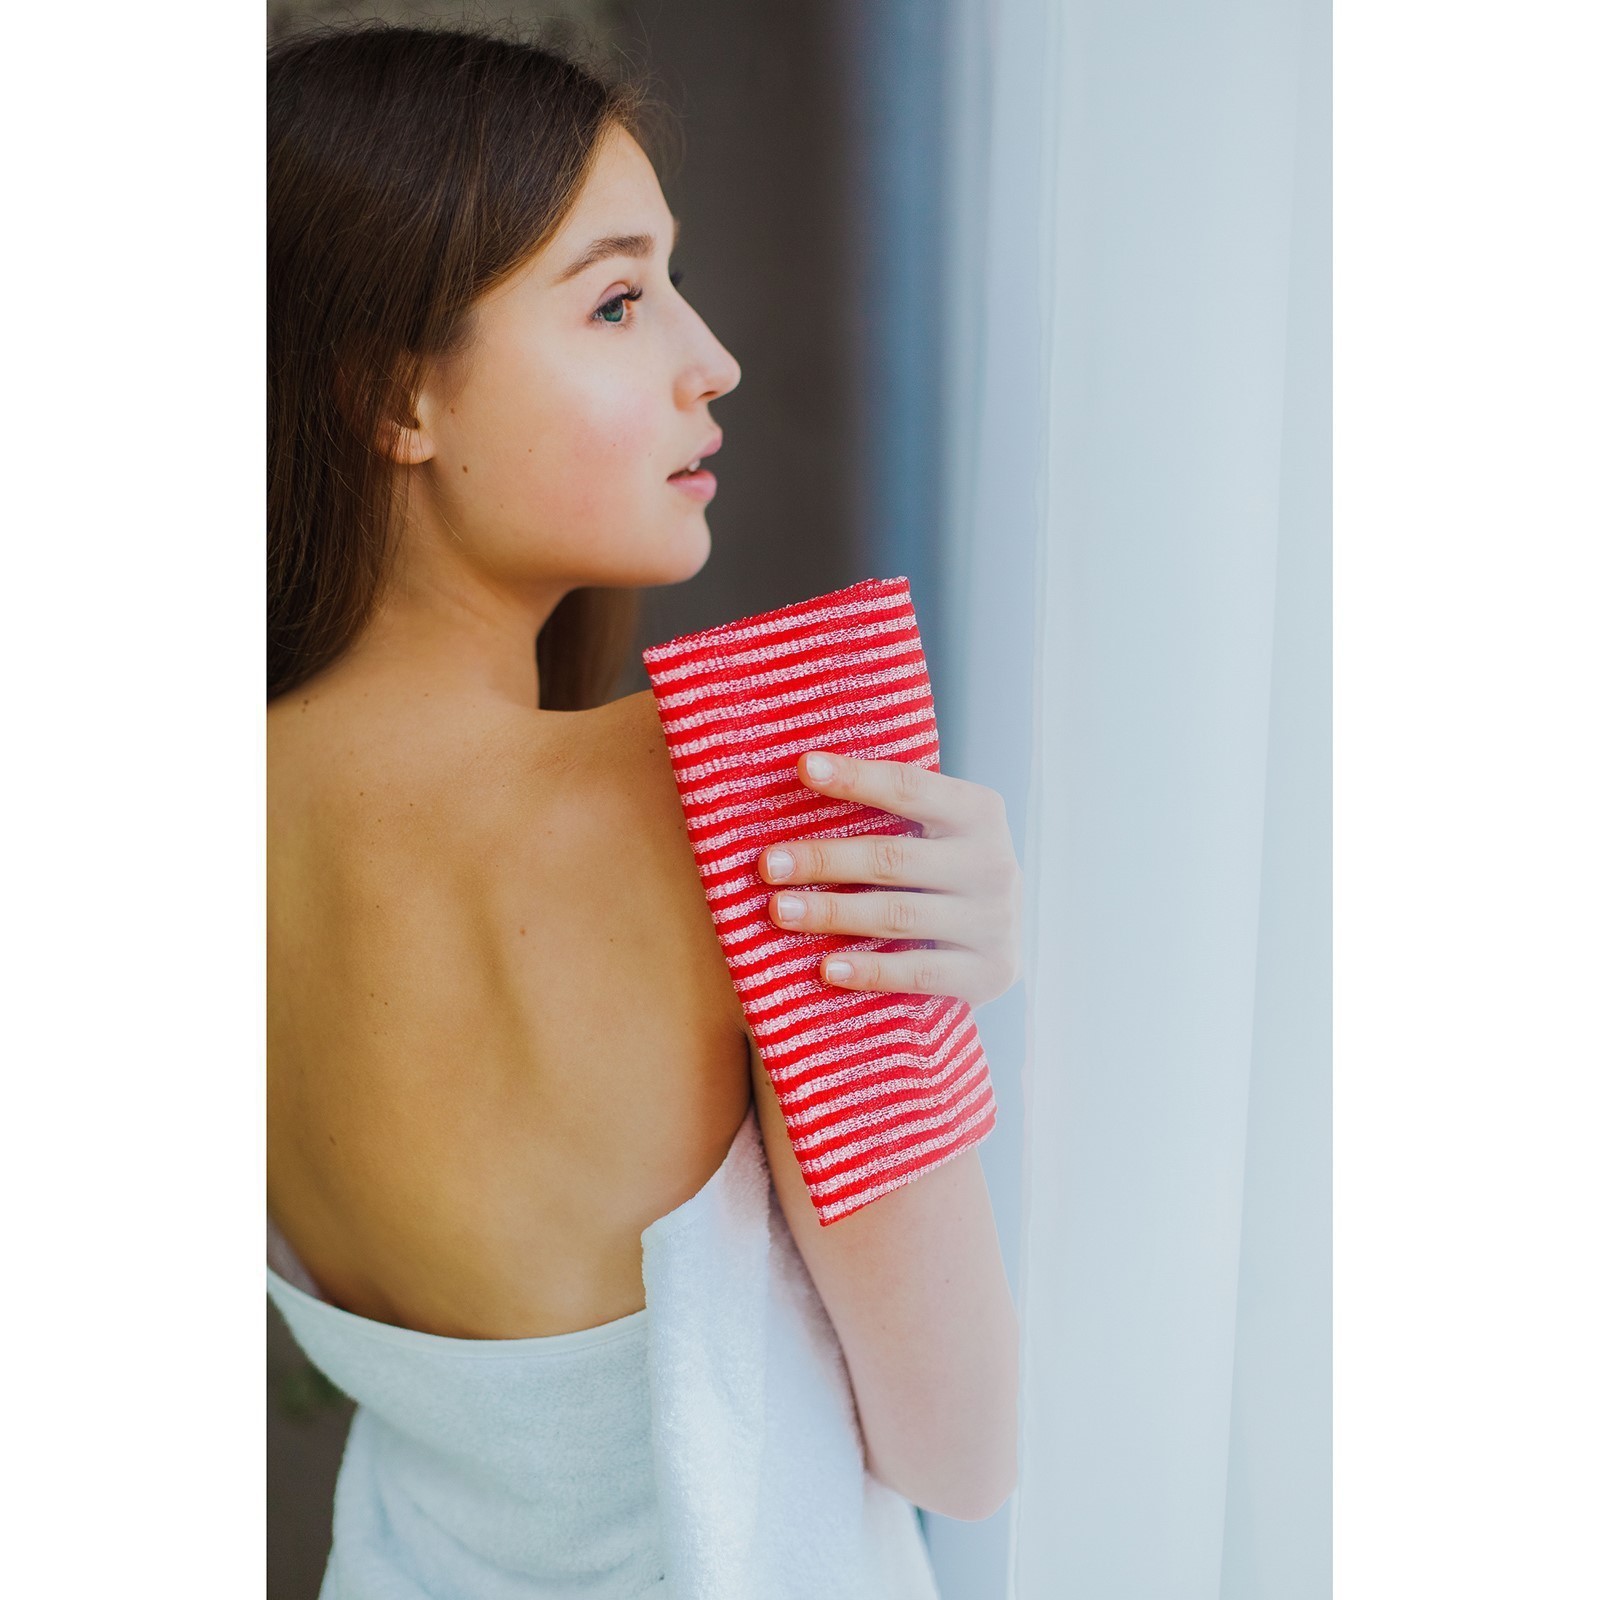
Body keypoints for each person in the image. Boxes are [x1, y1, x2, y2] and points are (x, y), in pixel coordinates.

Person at [267, 19, 1020, 1596]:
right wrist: (940, 1017)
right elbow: (961, 1446)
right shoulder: (778, 775)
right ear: (395, 398)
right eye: (617, 301)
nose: (711, 358)